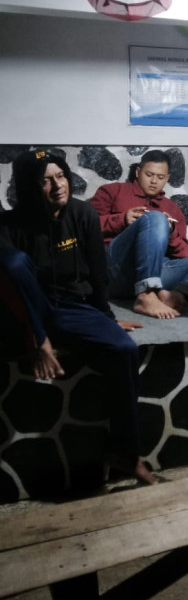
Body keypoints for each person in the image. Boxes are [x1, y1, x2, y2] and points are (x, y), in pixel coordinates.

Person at [0, 149, 157, 486]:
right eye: (45, 181)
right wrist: (39, 338)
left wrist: (107, 318)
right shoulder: (11, 225)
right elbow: (14, 285)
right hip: (30, 310)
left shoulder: (83, 214)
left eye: (60, 176)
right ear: (29, 186)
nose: (58, 185)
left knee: (124, 349)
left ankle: (125, 454)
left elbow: (99, 274)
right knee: (13, 263)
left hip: (72, 307)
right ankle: (39, 338)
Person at [89, 149, 188, 319]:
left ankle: (174, 295)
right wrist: (121, 219)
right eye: (149, 175)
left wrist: (170, 232)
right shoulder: (112, 191)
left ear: (167, 178)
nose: (154, 181)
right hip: (116, 269)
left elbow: (182, 254)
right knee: (155, 217)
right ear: (138, 172)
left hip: (155, 271)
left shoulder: (173, 208)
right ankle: (146, 294)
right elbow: (86, 227)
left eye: (160, 177)